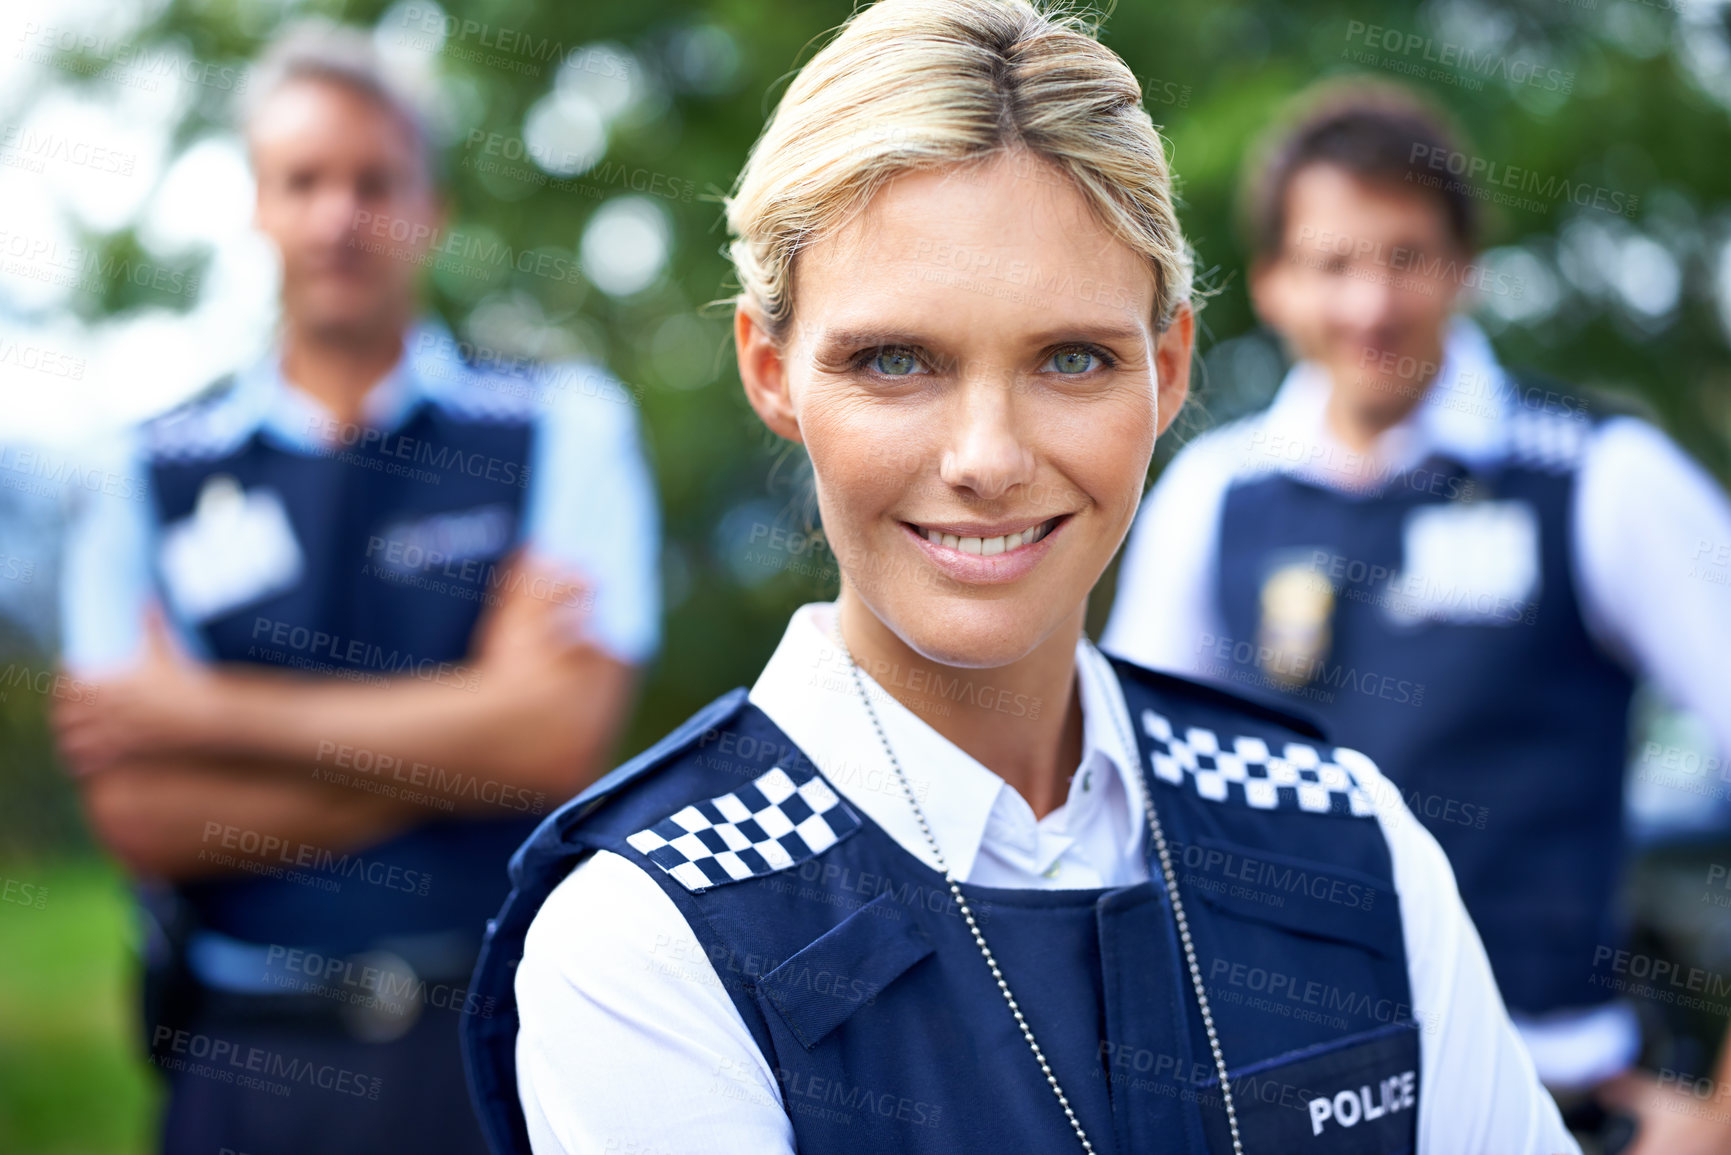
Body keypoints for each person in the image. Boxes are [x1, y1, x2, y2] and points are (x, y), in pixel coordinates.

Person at [463, 4, 1577, 1152]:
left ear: (1170, 366)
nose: (987, 460)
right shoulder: (648, 932)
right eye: (897, 361)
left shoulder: (1347, 833)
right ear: (771, 369)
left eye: (1072, 359)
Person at [52, 23, 659, 1155]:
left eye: (375, 181)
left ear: (431, 207)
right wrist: (468, 732)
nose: (339, 216)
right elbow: (141, 814)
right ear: (256, 202)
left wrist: (204, 716)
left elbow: (558, 742)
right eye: (304, 180)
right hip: (238, 1064)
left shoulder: (558, 426)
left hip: (492, 1060)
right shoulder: (139, 468)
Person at [1102, 78, 1731, 1151]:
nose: (1371, 304)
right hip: (1274, 1113)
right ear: (1273, 284)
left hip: (1554, 1110)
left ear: (1465, 265)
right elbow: (1124, 821)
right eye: (1334, 264)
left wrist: (1720, 1115)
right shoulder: (1212, 497)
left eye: (1405, 256)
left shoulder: (1596, 475)